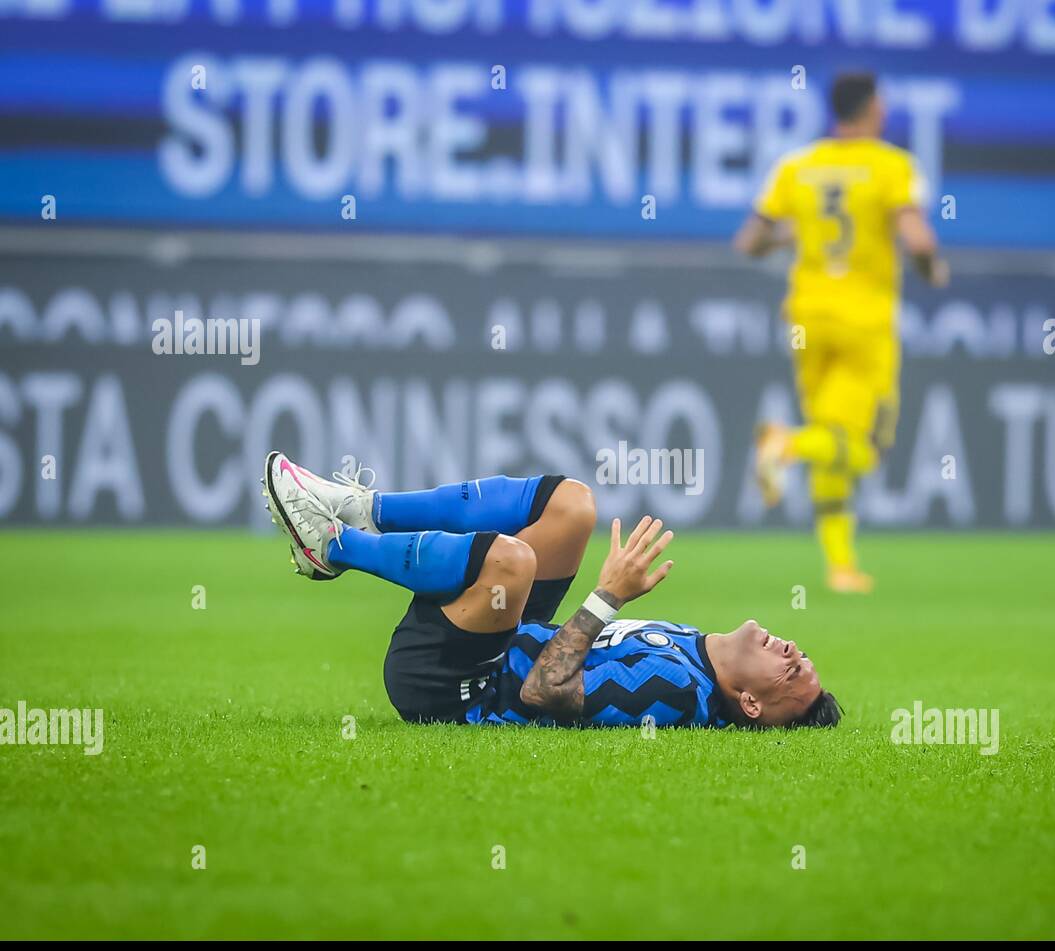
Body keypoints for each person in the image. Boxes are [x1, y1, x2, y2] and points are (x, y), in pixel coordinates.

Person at [261, 452, 841, 729]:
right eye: (802, 655)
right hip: (510, 640)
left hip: (454, 682)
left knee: (512, 563)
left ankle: (333, 546)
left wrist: (607, 595)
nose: (792, 652)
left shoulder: (677, 689)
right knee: (573, 506)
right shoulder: (694, 651)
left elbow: (541, 690)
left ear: (750, 703)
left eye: (790, 674)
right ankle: (364, 507)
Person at [734, 70, 949, 594]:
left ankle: (840, 566)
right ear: (873, 107)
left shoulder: (798, 165)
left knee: (833, 437)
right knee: (867, 444)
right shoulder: (892, 165)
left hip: (808, 316)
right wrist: (932, 268)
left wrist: (798, 235)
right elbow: (916, 238)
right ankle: (784, 445)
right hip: (863, 319)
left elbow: (750, 241)